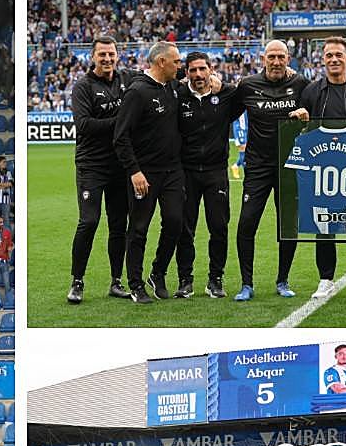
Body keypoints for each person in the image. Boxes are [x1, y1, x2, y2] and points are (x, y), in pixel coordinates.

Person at [288, 36, 346, 302]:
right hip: (322, 168)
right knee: (324, 224)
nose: (334, 59)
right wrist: (298, 118)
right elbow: (300, 123)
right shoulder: (312, 91)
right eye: (329, 55)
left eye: (338, 55)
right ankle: (326, 279)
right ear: (323, 59)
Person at [232, 40, 309, 302]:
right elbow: (223, 110)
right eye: (272, 57)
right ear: (263, 58)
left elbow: (321, 106)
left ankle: (282, 280)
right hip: (257, 167)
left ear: (288, 58)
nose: (276, 62)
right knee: (246, 224)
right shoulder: (248, 85)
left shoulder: (301, 84)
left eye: (281, 57)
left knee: (288, 226)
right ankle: (246, 284)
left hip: (290, 167)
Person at [67, 36, 138, 304]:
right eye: (102, 55)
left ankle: (116, 281)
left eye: (111, 54)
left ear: (117, 55)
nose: (107, 59)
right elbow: (84, 125)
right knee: (89, 221)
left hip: (120, 165)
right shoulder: (83, 87)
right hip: (91, 165)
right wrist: (121, 122)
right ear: (92, 57)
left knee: (119, 224)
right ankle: (77, 281)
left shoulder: (128, 79)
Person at [114, 40, 185, 304]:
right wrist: (134, 171)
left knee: (176, 222)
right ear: (161, 62)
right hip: (145, 173)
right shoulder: (137, 92)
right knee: (139, 229)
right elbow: (120, 137)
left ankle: (158, 272)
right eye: (176, 61)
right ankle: (135, 284)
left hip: (173, 171)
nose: (180, 66)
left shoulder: (173, 88)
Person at [175, 52, 243, 299]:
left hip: (216, 172)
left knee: (219, 227)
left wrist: (223, 84)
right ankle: (185, 280)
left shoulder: (225, 95)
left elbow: (247, 94)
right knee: (185, 228)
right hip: (186, 172)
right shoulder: (178, 95)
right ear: (186, 73)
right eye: (192, 70)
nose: (198, 75)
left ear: (210, 69)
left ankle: (215, 279)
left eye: (202, 69)